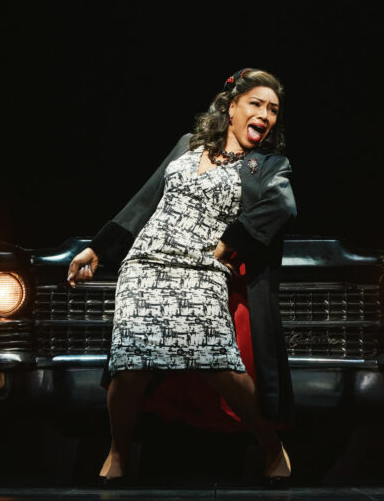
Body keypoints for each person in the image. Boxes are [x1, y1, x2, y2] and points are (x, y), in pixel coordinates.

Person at [67, 68, 297, 488]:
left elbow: (282, 206)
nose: (265, 114)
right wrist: (97, 249)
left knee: (220, 365)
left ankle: (271, 446)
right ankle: (117, 452)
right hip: (145, 265)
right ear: (231, 109)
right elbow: (144, 199)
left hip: (200, 267)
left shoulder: (265, 165)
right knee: (129, 367)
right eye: (257, 104)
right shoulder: (187, 147)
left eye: (274, 109)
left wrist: (228, 245)